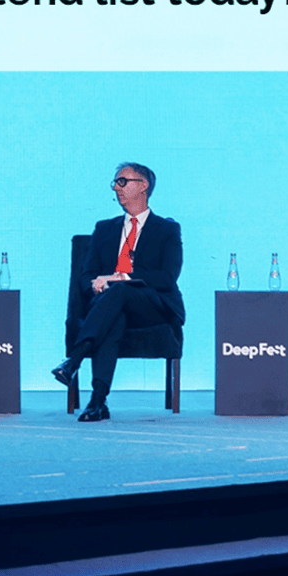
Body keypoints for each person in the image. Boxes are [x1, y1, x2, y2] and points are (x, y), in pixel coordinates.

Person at [51, 163, 185, 421]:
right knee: (115, 315)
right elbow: (86, 275)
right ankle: (97, 401)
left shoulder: (167, 229)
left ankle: (74, 360)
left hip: (153, 306)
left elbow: (167, 277)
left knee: (120, 289)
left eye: (122, 182)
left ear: (143, 186)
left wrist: (119, 277)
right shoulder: (104, 229)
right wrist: (96, 284)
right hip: (111, 305)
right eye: (114, 183)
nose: (116, 188)